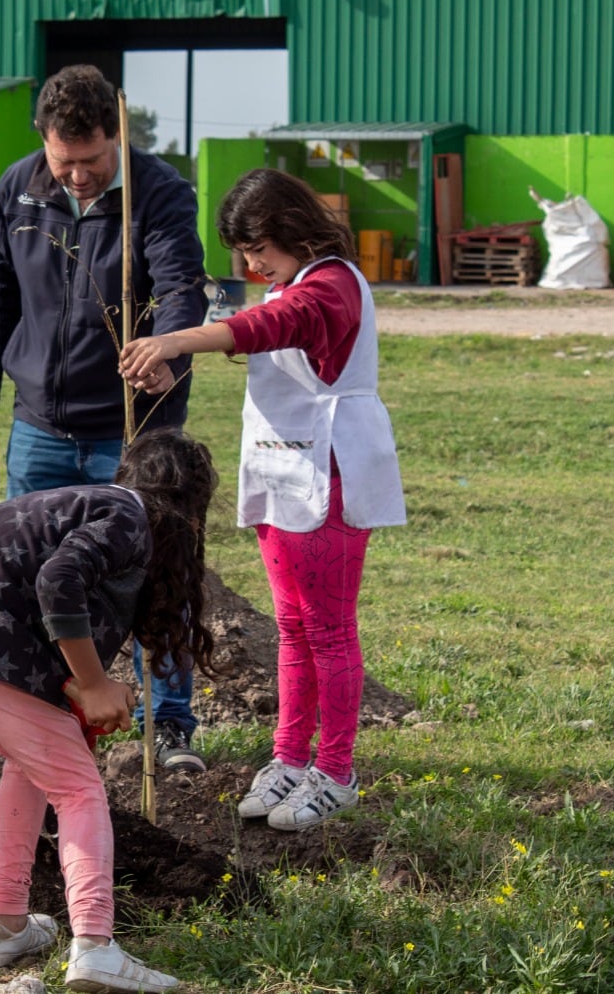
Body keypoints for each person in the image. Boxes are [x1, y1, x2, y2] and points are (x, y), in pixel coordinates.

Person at [118, 168, 406, 831]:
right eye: (241, 254)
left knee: (328, 632)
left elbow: (274, 325)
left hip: (327, 473)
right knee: (295, 632)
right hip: (285, 475)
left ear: (293, 230)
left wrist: (173, 340)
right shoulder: (289, 283)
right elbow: (247, 319)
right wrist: (172, 356)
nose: (249, 265)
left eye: (257, 249)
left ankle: (335, 771)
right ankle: (287, 758)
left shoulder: (330, 286)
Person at [0, 427, 217, 993]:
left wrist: (84, 688)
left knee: (34, 767)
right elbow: (58, 579)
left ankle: (6, 926)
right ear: (189, 507)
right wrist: (92, 684)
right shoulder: (130, 517)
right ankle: (94, 946)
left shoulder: (91, 503)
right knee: (77, 788)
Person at [0, 63, 210, 772]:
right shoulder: (17, 189)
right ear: (43, 142)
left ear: (117, 137)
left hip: (135, 429)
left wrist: (168, 349)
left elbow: (179, 286)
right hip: (39, 425)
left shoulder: (159, 192)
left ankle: (172, 725)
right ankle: (37, 719)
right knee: (30, 574)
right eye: (63, 161)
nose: (77, 176)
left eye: (93, 160)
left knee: (158, 573)